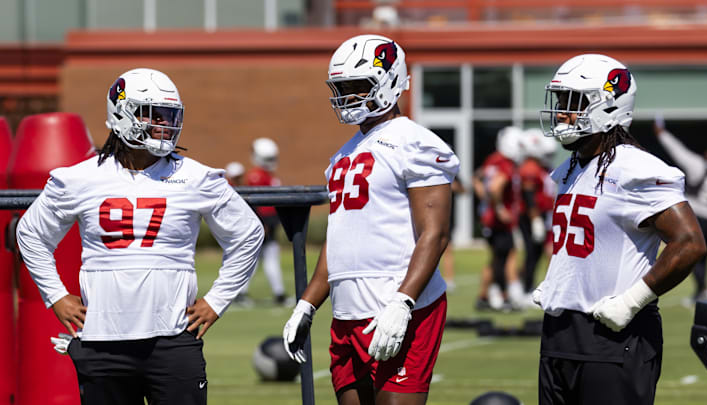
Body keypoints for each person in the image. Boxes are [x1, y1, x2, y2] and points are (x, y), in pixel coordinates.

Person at [16, 68, 264, 405]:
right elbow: (31, 233)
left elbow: (248, 234)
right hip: (103, 340)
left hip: (173, 338)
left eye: (170, 116)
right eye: (154, 115)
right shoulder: (80, 178)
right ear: (121, 113)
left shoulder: (196, 177)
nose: (165, 124)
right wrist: (57, 296)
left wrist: (217, 300)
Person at [282, 34, 458, 405]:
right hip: (348, 309)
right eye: (342, 88)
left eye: (359, 86)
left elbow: (435, 233)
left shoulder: (416, 142)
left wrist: (403, 303)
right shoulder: (341, 155)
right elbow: (340, 236)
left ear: (391, 81)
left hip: (400, 305)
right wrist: (308, 303)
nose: (348, 97)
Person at [534, 54, 706, 405]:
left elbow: (689, 242)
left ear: (608, 106)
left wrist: (632, 301)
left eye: (573, 102)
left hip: (614, 334)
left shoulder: (634, 168)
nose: (562, 112)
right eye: (561, 101)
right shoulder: (570, 167)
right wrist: (558, 283)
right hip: (559, 334)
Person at [654, 116, 707, 303]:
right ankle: (701, 291)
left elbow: (678, 152)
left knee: (692, 254)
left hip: (696, 215)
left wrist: (662, 133)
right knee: (702, 256)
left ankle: (704, 290)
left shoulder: (700, 166)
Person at [473, 126, 525, 310]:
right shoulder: (505, 164)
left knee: (498, 257)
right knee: (503, 257)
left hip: (489, 218)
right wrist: (499, 207)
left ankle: (485, 297)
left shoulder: (492, 160)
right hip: (497, 221)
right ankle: (501, 295)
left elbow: (477, 179)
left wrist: (485, 201)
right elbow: (496, 187)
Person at [238, 137, 289, 306]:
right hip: (264, 222)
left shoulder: (264, 175)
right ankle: (277, 293)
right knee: (264, 258)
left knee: (264, 258)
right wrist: (262, 223)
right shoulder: (257, 176)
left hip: (268, 221)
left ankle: (245, 293)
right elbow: (255, 203)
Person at [516, 128, 557, 297]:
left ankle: (527, 285)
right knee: (532, 252)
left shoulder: (542, 167)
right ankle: (525, 288)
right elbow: (528, 194)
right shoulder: (530, 168)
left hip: (544, 214)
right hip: (533, 215)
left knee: (538, 252)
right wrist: (535, 219)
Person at [441, 177, 466, 293]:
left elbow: (464, 190)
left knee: (448, 250)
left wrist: (453, 187)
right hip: (434, 217)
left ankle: (449, 280)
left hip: (448, 218)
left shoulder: (452, 174)